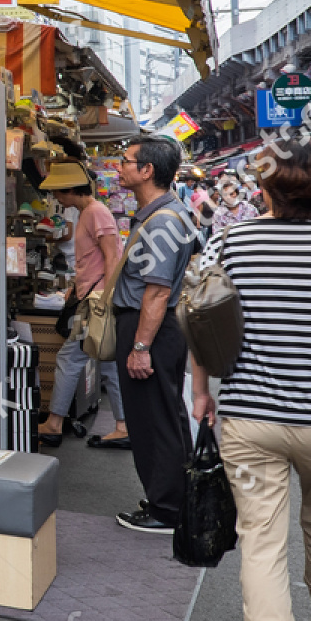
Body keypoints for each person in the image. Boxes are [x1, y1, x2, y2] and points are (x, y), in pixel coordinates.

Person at [191, 135, 311, 621]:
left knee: (262, 539)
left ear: (266, 183)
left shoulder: (229, 241)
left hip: (249, 419)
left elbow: (198, 315)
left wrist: (201, 390)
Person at [112, 135, 200, 533]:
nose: (119, 166)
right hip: (157, 325)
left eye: (126, 161)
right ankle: (178, 499)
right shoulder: (165, 213)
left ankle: (166, 508)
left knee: (152, 419)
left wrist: (140, 347)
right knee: (166, 413)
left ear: (147, 170)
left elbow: (158, 291)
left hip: (151, 326)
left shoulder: (163, 220)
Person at [36, 162, 129, 450]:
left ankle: (53, 423)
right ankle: (123, 426)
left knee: (68, 358)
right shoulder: (90, 212)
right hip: (93, 297)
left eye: (58, 192)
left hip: (95, 301)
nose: (57, 199)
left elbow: (112, 256)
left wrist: (104, 299)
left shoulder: (95, 212)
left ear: (70, 190)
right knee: (109, 364)